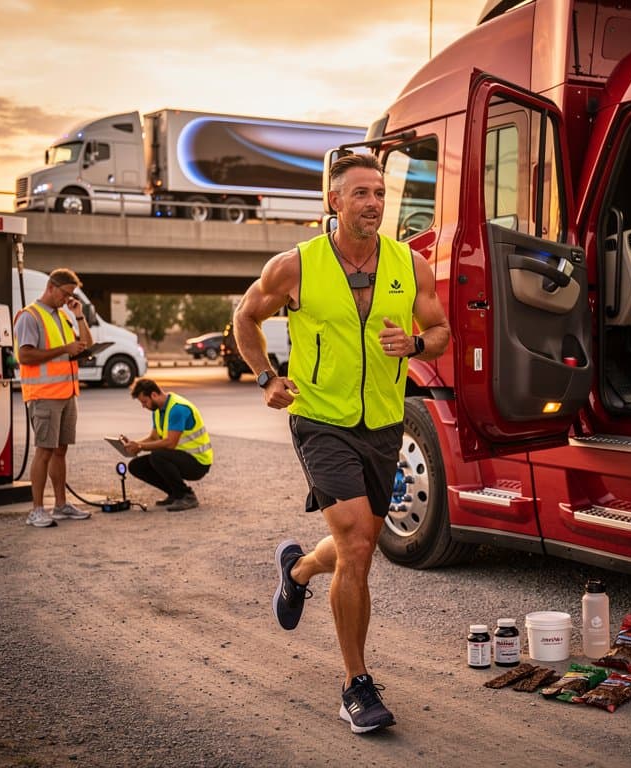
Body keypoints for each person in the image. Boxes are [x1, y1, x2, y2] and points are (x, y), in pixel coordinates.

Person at [234, 152, 451, 734]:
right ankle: (356, 686)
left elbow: (441, 333)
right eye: (360, 193)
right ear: (335, 202)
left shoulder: (412, 264)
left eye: (379, 193)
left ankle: (299, 571)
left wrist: (416, 346)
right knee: (356, 546)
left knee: (363, 541)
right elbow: (245, 317)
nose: (374, 203)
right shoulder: (296, 266)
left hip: (384, 423)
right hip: (321, 420)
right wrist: (265, 377)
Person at [14, 267, 94, 528]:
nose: (67, 299)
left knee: (60, 451)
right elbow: (24, 356)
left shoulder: (63, 316)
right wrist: (64, 349)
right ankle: (37, 510)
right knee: (44, 451)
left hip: (67, 393)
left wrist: (79, 316)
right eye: (66, 293)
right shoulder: (30, 317)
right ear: (51, 287)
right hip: (44, 395)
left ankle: (60, 505)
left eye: (72, 295)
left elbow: (86, 344)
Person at [121, 378, 213, 511]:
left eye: (144, 402)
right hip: (181, 457)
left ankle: (186, 496)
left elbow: (170, 443)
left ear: (154, 394)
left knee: (158, 456)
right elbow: (153, 437)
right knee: (136, 466)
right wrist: (134, 444)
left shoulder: (177, 409)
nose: (143, 406)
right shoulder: (158, 410)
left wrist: (140, 447)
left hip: (198, 462)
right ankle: (175, 494)